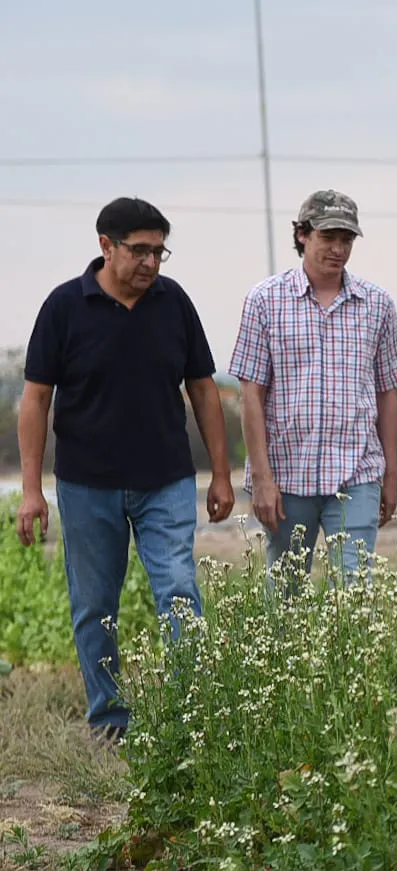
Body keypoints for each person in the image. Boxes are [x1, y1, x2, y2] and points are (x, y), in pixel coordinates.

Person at [16, 197, 235, 743]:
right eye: (139, 250)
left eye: (160, 251)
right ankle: (110, 721)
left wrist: (223, 474)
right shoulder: (65, 307)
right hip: (87, 486)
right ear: (105, 246)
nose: (151, 263)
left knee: (181, 590)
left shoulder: (174, 303)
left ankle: (188, 718)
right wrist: (31, 491)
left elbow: (204, 390)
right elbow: (36, 399)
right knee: (95, 607)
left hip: (166, 480)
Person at [228, 189, 397, 583]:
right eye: (328, 238)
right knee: (286, 591)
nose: (338, 249)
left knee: (356, 590)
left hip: (356, 471)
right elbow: (251, 395)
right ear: (302, 235)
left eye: (346, 240)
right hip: (287, 473)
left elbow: (388, 391)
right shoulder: (265, 301)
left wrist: (391, 473)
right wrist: (261, 478)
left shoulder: (377, 304)